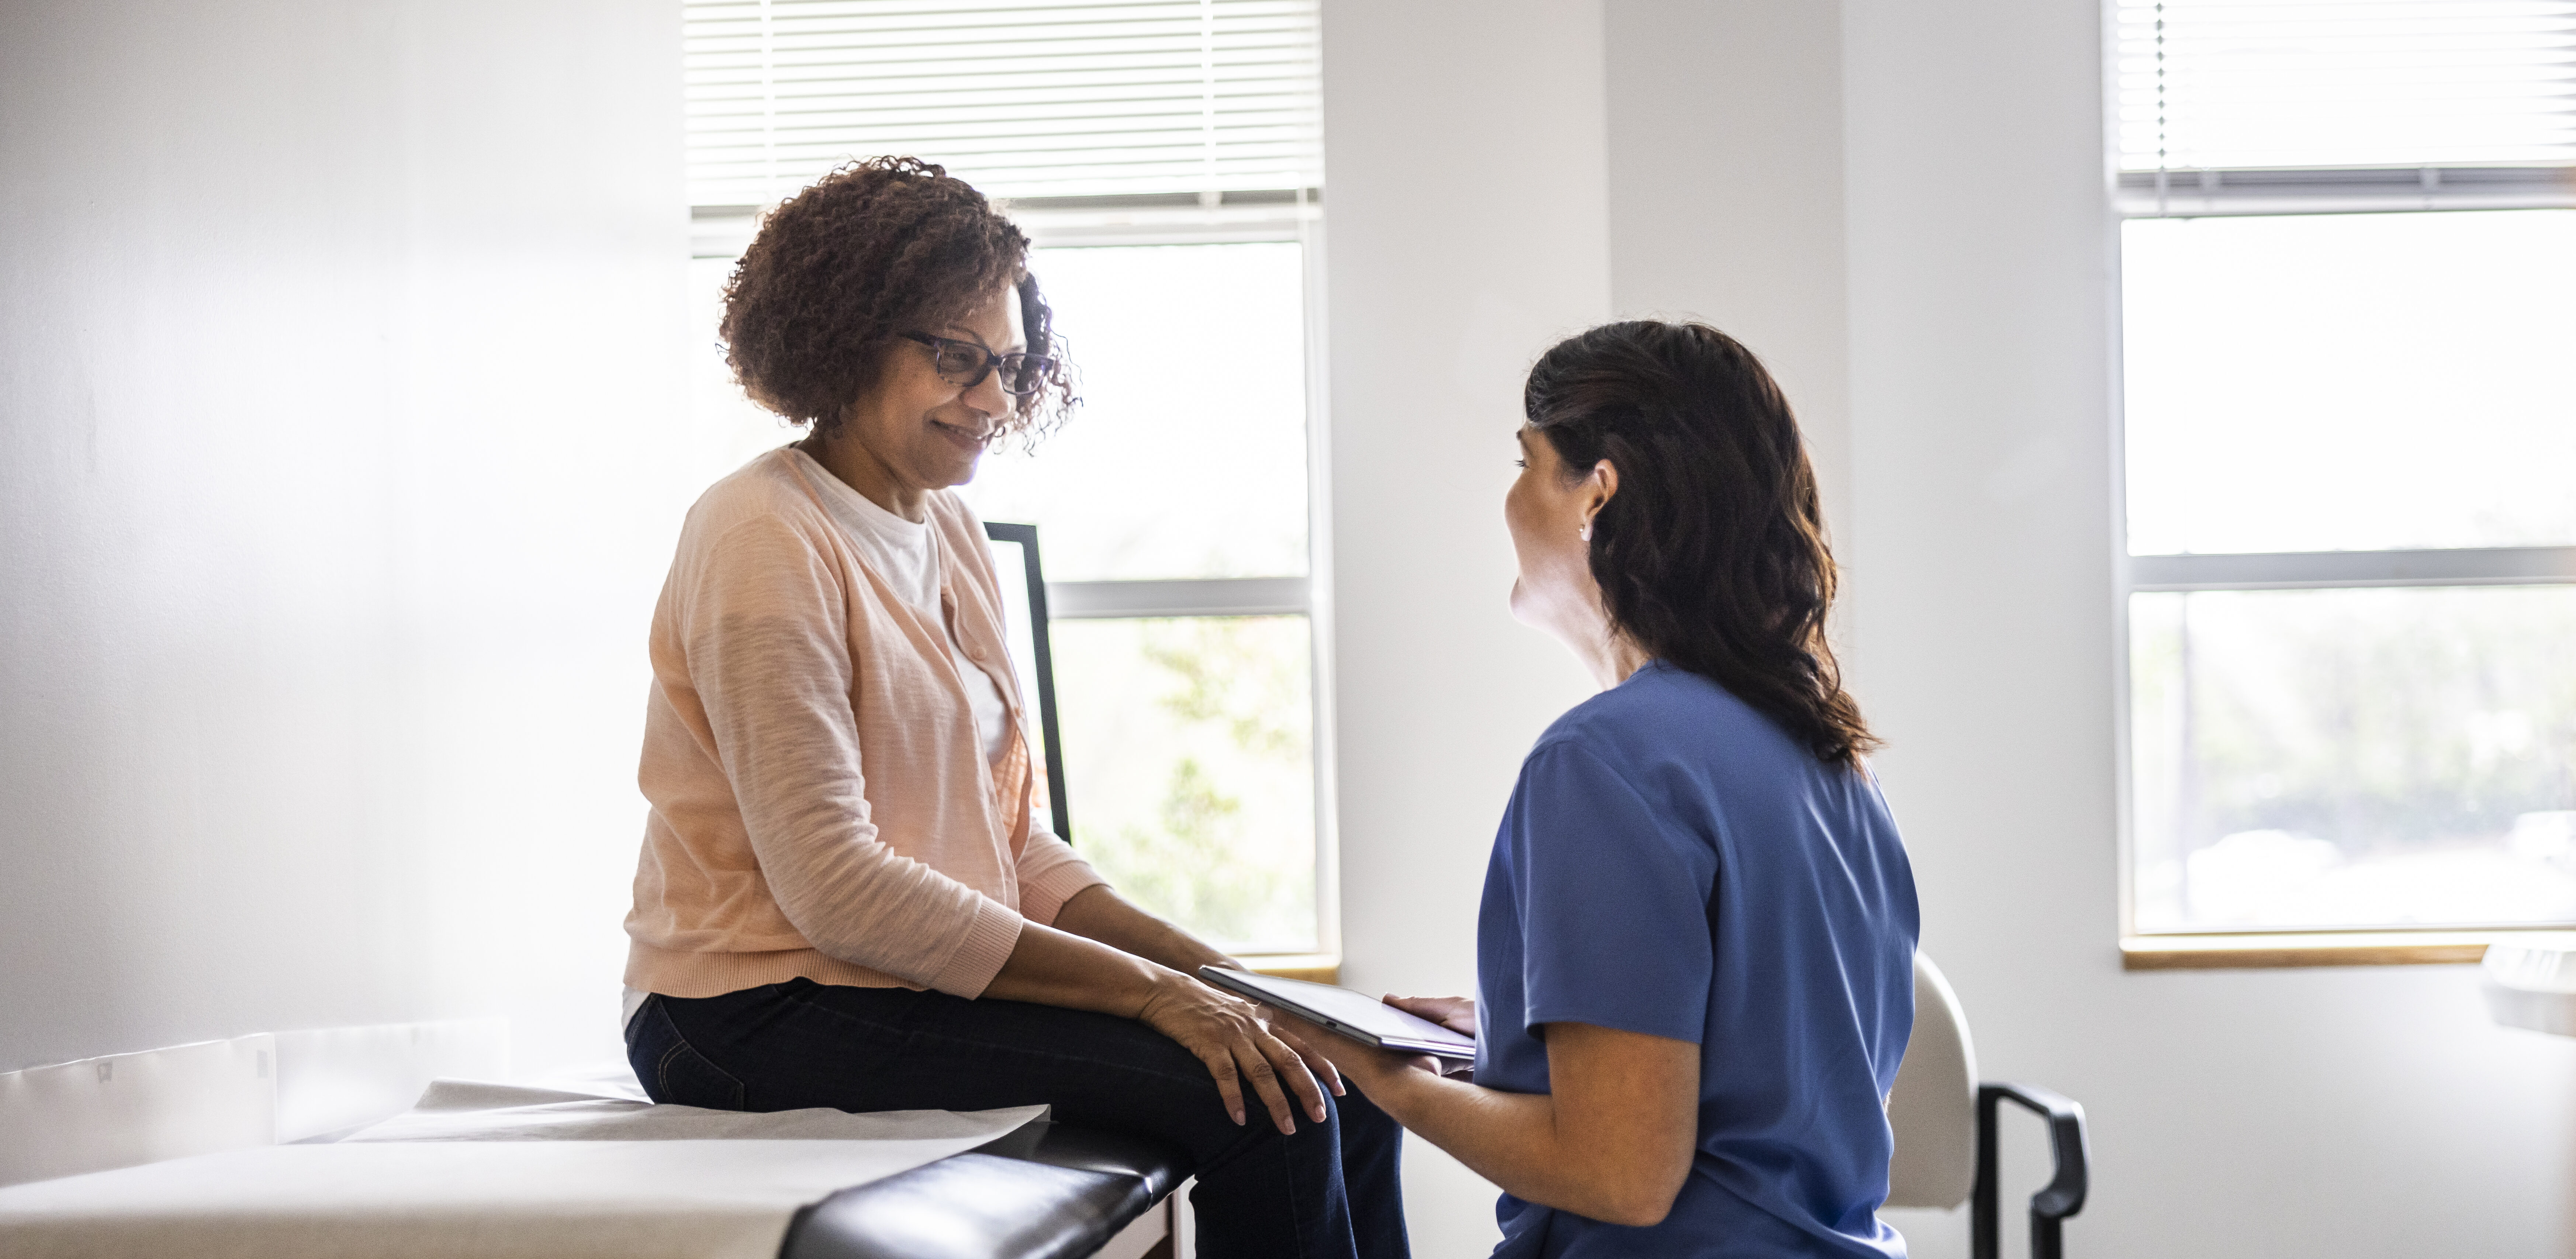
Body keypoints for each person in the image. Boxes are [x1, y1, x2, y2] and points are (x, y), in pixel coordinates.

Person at [619, 156, 1405, 1259]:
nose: (993, 400)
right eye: (957, 359)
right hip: (748, 1008)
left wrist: (1222, 975)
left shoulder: (948, 533)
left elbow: (1009, 840)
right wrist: (1154, 996)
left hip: (895, 982)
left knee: (1335, 1078)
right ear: (845, 335)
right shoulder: (763, 535)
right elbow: (834, 885)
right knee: (1267, 1105)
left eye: (1009, 367)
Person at [1279, 321, 1922, 1256]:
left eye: (1526, 461)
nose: (1507, 498)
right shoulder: (1827, 758)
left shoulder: (1604, 759)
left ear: (1598, 492)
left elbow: (1618, 1177)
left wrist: (1388, 1081)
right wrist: (1521, 1036)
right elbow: (1779, 1067)